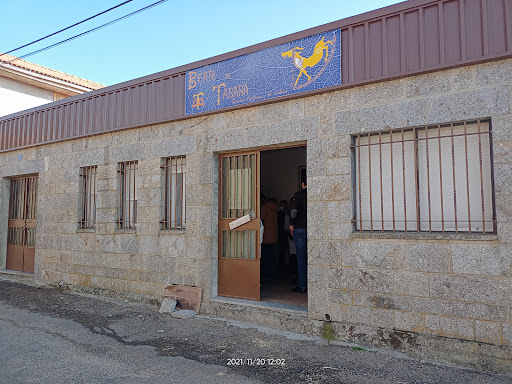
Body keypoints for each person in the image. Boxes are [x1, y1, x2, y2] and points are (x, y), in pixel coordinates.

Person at [289, 176, 307, 293]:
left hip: (300, 229)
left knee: (301, 259)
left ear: (302, 184)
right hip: (313, 229)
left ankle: (302, 285)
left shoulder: (299, 195)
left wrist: (291, 223)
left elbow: (294, 211)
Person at [260, 195, 278, 283]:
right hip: (273, 235)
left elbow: (261, 221)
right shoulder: (275, 208)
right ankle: (272, 275)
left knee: (266, 256)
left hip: (265, 236)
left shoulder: (265, 207)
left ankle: (268, 275)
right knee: (271, 256)